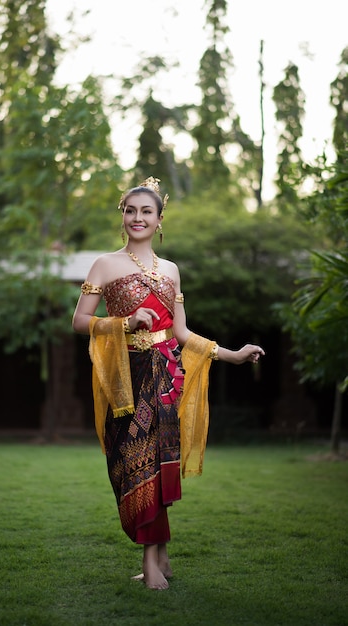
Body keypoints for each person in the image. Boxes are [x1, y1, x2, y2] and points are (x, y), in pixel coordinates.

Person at [72, 177, 264, 590]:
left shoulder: (171, 270)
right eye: (130, 210)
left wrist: (230, 354)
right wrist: (124, 322)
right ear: (122, 217)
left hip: (165, 379)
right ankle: (159, 554)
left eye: (146, 211)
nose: (137, 218)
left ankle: (154, 561)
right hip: (126, 380)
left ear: (160, 220)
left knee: (157, 464)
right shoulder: (105, 264)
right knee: (129, 464)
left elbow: (181, 333)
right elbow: (79, 321)